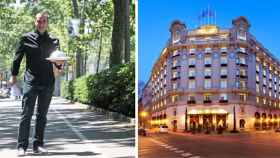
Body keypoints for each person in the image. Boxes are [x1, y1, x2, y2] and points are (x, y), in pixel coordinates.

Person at [10, 11, 61, 156]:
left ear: (47, 23)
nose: (41, 23)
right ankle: (22, 146)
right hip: (31, 81)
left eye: (44, 21)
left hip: (48, 82)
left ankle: (38, 145)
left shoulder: (54, 41)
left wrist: (60, 66)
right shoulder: (26, 38)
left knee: (42, 115)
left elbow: (58, 62)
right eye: (39, 21)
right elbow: (17, 58)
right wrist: (13, 75)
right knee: (26, 114)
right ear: (35, 22)